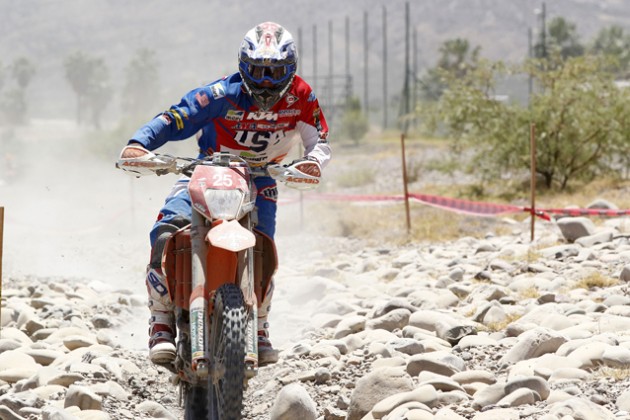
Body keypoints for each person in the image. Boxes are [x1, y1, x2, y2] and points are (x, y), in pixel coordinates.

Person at [118, 22, 331, 367]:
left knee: (263, 246)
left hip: (261, 178)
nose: (266, 81)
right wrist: (139, 143)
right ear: (243, 66)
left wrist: (313, 163)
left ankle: (259, 326)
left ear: (290, 69)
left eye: (275, 72)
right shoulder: (219, 94)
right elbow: (175, 119)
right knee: (166, 229)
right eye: (258, 71)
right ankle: (160, 320)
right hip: (208, 170)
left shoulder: (302, 97)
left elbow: (319, 140)